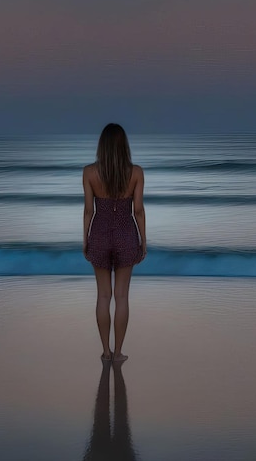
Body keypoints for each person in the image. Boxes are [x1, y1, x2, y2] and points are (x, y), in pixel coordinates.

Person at [83, 123, 146, 362]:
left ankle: (105, 352)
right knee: (121, 296)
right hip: (126, 234)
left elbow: (89, 210)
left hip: (99, 233)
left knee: (102, 296)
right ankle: (118, 352)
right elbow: (138, 210)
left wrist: (85, 239)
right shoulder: (136, 172)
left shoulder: (89, 172)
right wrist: (143, 240)